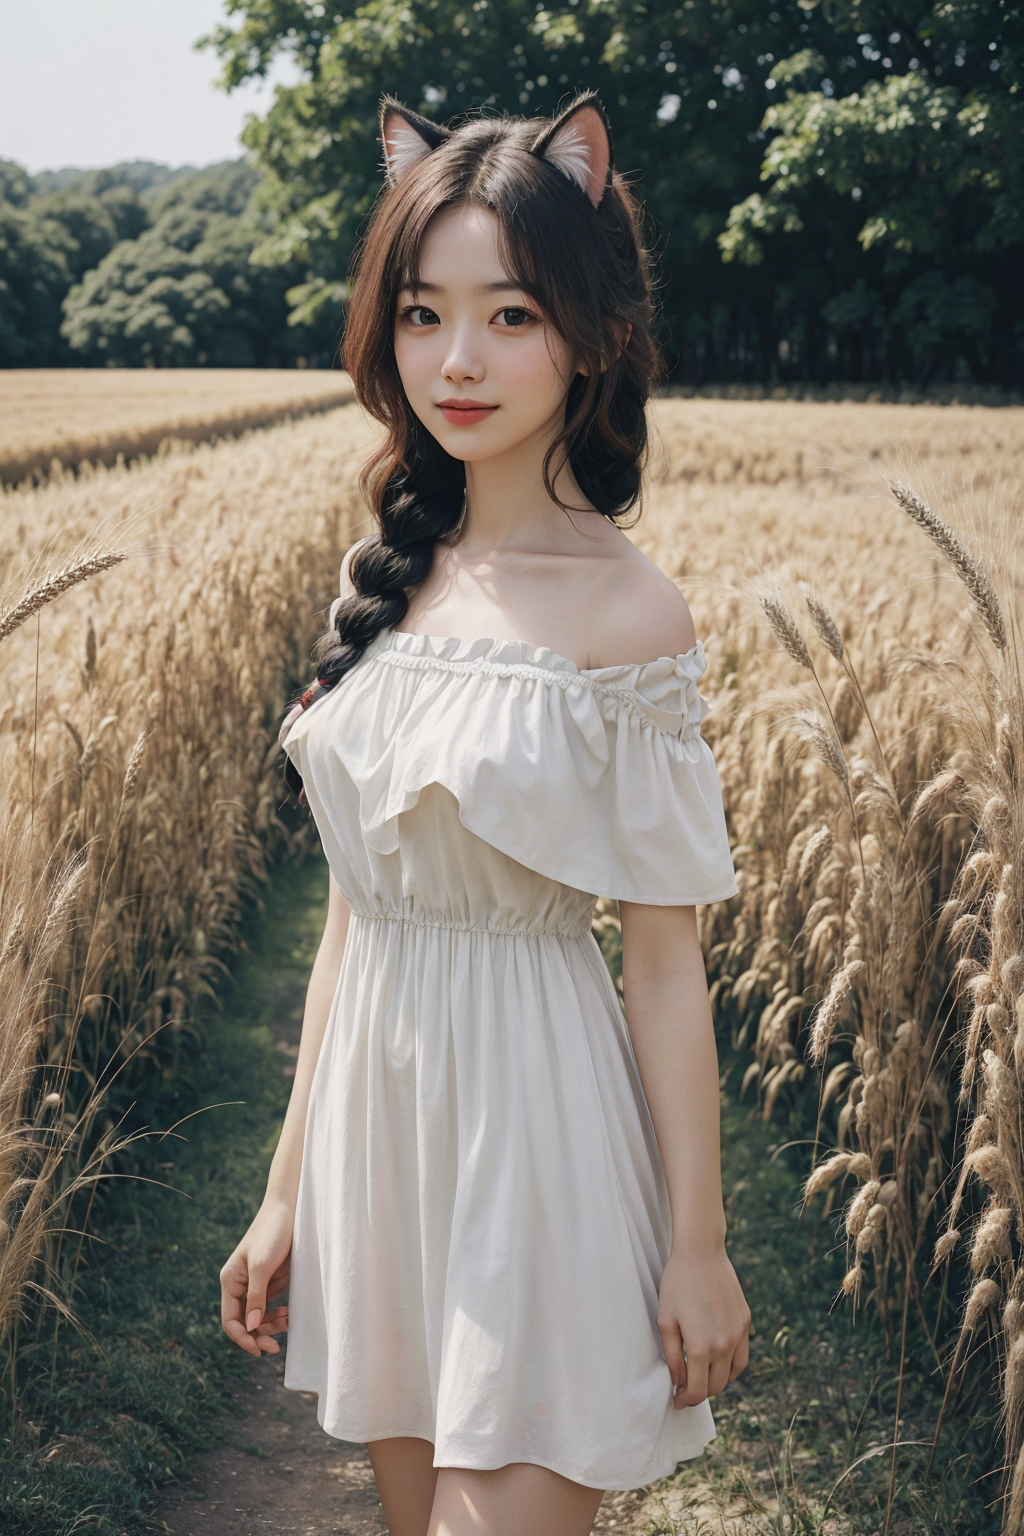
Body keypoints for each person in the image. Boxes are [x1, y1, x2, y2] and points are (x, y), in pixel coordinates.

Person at [219, 91, 752, 1536]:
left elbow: (662, 959)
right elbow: (352, 915)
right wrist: (285, 1192)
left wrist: (695, 1245)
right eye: (422, 313)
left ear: (593, 329)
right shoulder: (380, 580)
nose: (457, 360)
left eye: (510, 315)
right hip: (378, 1132)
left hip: (537, 1132)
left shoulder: (629, 612)